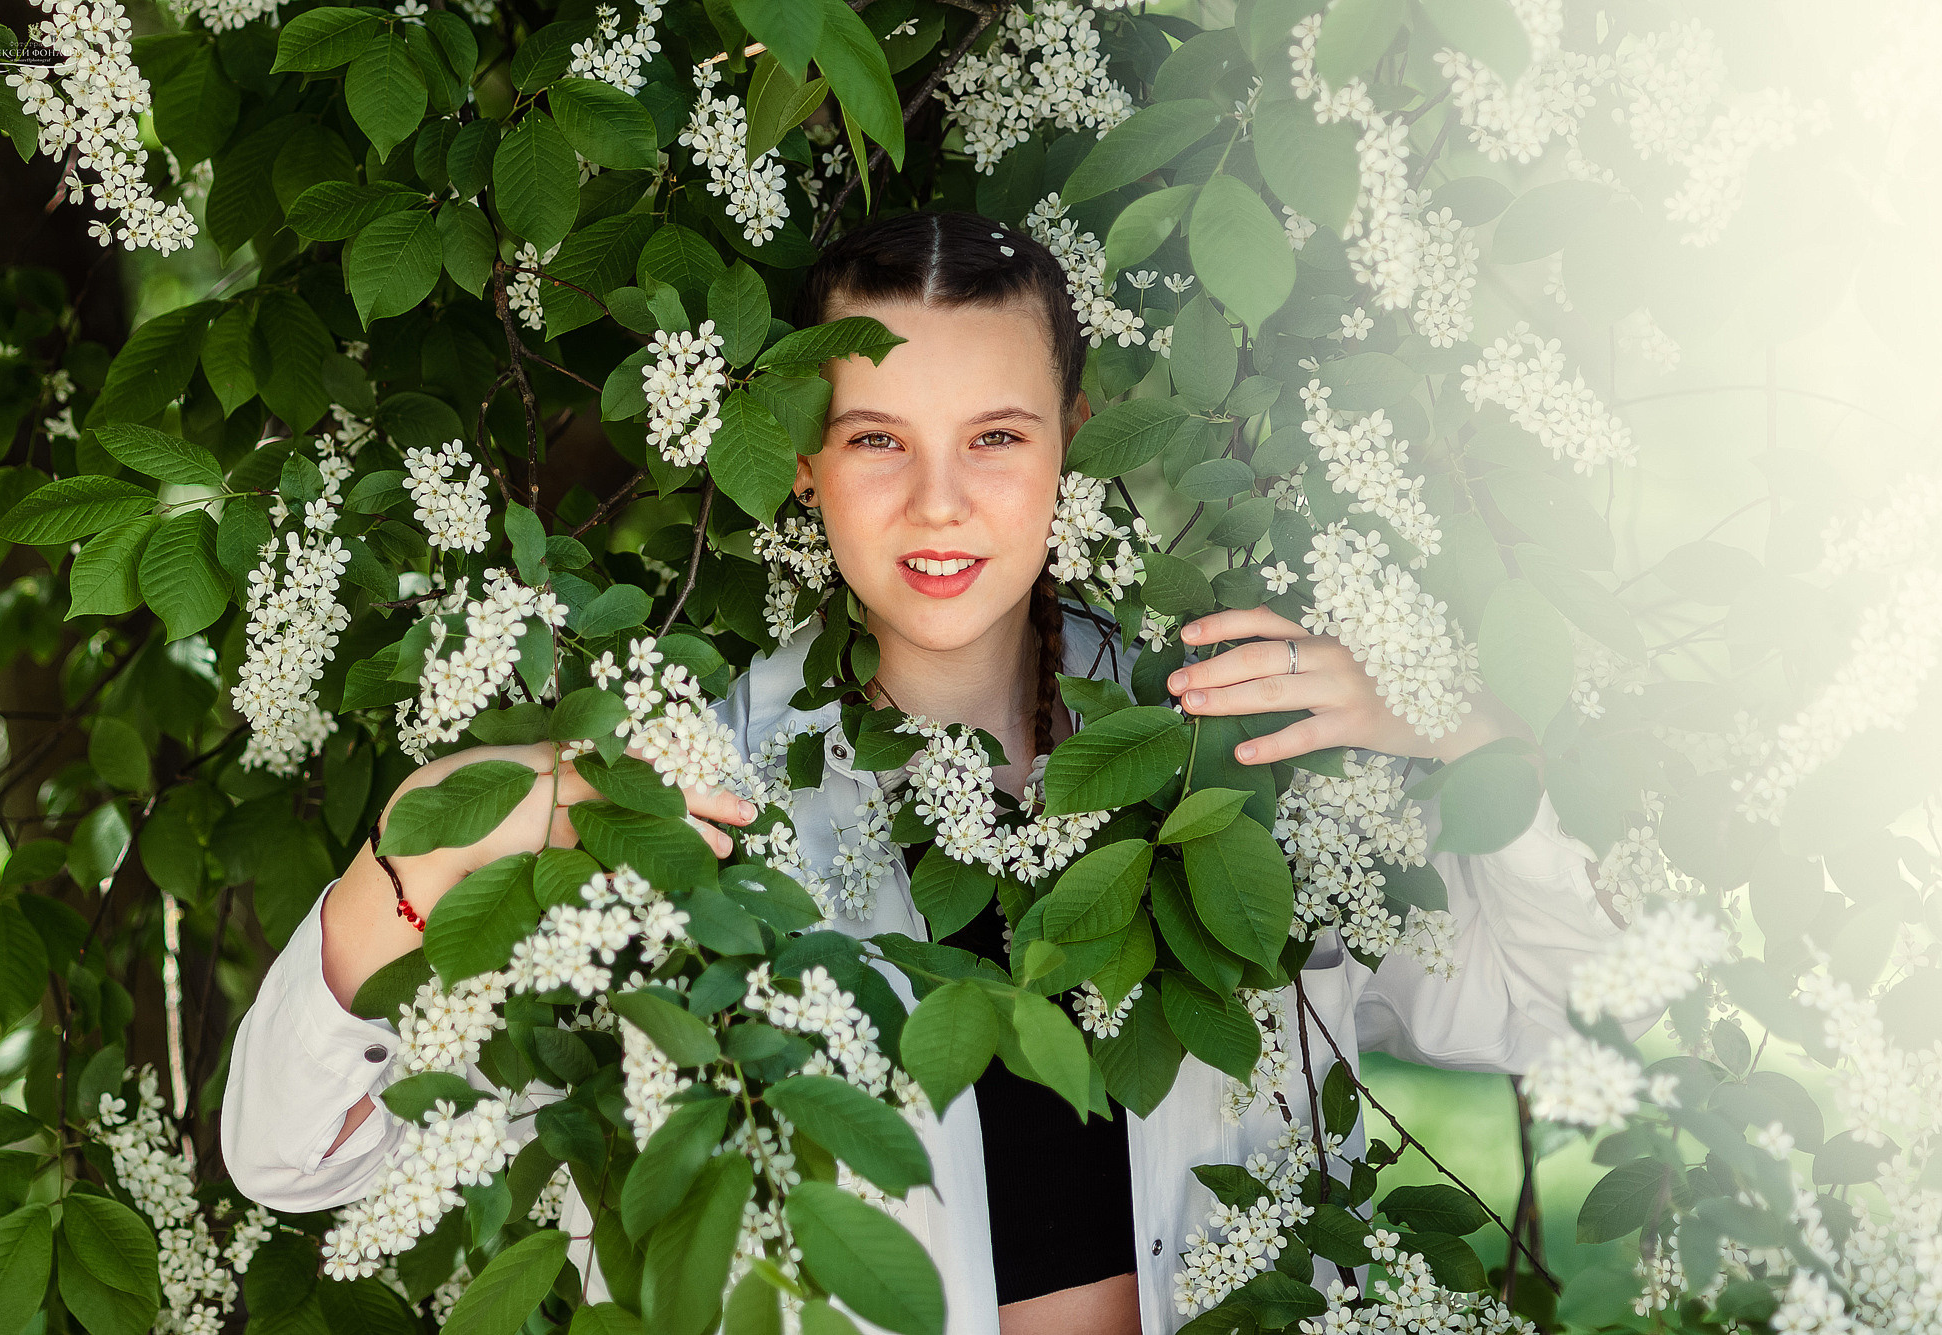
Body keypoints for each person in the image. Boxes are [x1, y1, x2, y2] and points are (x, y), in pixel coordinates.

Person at [224, 211, 1633, 1335]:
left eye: (997, 440)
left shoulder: (1229, 747)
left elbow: (1560, 1014)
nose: (942, 502)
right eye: (878, 442)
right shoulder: (682, 799)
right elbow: (302, 1158)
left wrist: (1465, 734)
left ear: (1073, 442)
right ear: (800, 467)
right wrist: (416, 848)